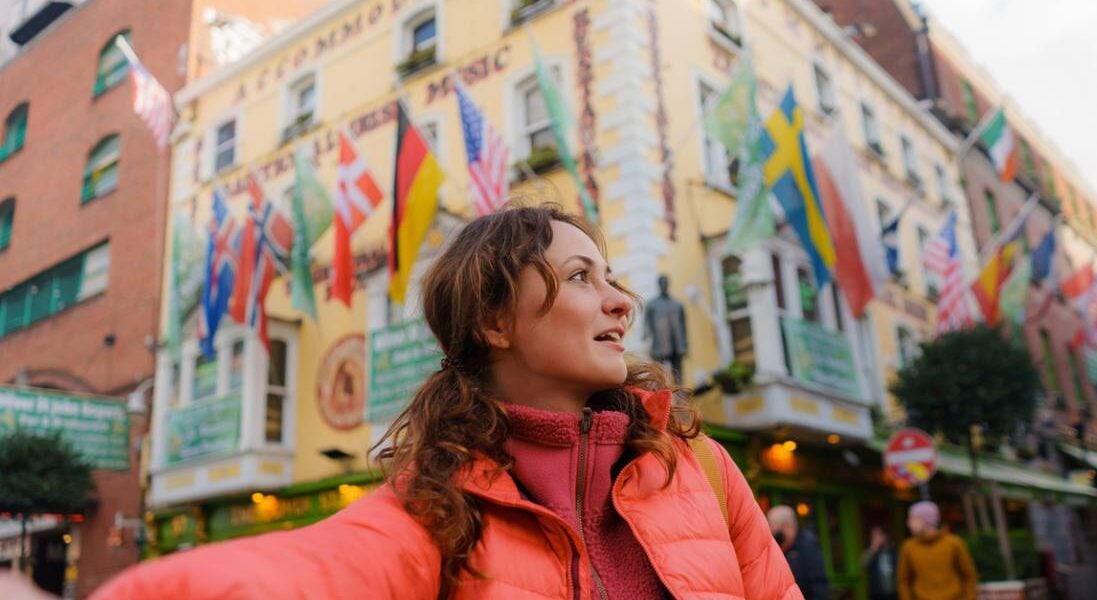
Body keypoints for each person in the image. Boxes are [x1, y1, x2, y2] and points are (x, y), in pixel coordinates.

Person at [91, 205, 802, 599]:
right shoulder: (435, 506)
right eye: (582, 277)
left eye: (610, 276)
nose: (622, 300)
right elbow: (306, 575)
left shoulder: (698, 465)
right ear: (495, 322)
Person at [897, 501, 978, 600]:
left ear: (925, 520)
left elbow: (969, 575)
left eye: (913, 518)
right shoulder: (908, 547)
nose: (908, 523)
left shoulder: (953, 543)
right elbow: (903, 581)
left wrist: (969, 598)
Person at [768, 505, 830, 600]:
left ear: (785, 526)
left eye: (772, 527)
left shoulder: (808, 547)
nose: (771, 532)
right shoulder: (779, 549)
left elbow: (818, 585)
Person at [644, 274, 688, 383]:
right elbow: (647, 325)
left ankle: (680, 398)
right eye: (662, 283)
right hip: (659, 346)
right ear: (659, 285)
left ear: (669, 284)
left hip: (676, 346)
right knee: (660, 378)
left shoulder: (677, 304)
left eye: (666, 283)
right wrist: (647, 342)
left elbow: (683, 327)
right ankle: (664, 399)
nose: (664, 285)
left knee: (679, 378)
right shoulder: (652, 305)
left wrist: (685, 346)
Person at [861, 525, 899, 600]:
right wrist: (873, 548)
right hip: (877, 594)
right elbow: (863, 565)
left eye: (877, 535)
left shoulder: (894, 551)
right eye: (873, 536)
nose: (875, 539)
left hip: (894, 593)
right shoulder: (870, 552)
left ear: (884, 536)